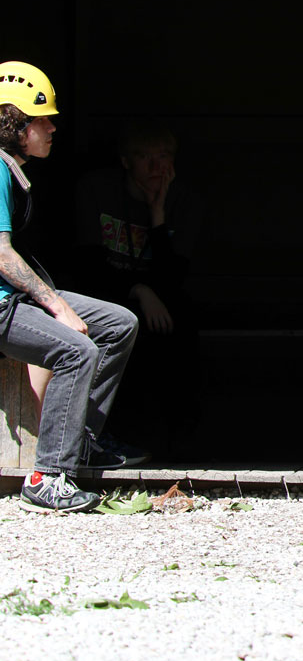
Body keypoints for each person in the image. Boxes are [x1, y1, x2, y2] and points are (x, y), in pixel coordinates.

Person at [0, 61, 141, 513]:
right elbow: (1, 255)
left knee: (119, 323)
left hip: (15, 296)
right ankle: (47, 477)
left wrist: (54, 300)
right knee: (76, 351)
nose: (53, 127)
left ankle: (80, 441)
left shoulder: (12, 169)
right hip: (2, 305)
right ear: (15, 123)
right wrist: (57, 307)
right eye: (43, 119)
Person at [74, 119, 204, 459]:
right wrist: (138, 290)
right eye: (145, 157)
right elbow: (88, 268)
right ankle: (100, 436)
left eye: (164, 157)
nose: (156, 167)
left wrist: (157, 214)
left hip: (160, 304)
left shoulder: (184, 201)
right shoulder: (97, 190)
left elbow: (172, 278)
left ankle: (179, 444)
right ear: (126, 161)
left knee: (178, 326)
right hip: (112, 298)